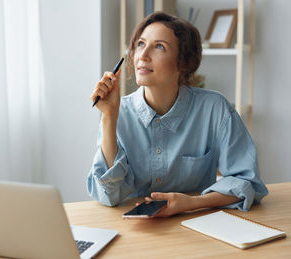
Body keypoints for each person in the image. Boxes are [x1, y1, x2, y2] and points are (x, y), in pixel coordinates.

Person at [87, 12, 268, 217]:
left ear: (183, 63)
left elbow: (247, 182)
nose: (143, 56)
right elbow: (107, 195)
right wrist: (109, 117)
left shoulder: (215, 108)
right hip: (135, 229)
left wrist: (191, 203)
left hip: (197, 224)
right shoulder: (119, 112)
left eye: (159, 47)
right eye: (140, 44)